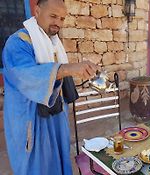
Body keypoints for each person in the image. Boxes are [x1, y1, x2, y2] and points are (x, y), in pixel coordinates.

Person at [2, 0, 100, 174]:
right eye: (53, 16)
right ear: (37, 11)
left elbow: (59, 77)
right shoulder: (17, 43)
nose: (58, 23)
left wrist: (79, 70)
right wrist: (69, 68)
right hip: (31, 118)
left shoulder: (53, 43)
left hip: (56, 115)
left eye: (62, 18)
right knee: (38, 165)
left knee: (59, 159)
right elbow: (25, 75)